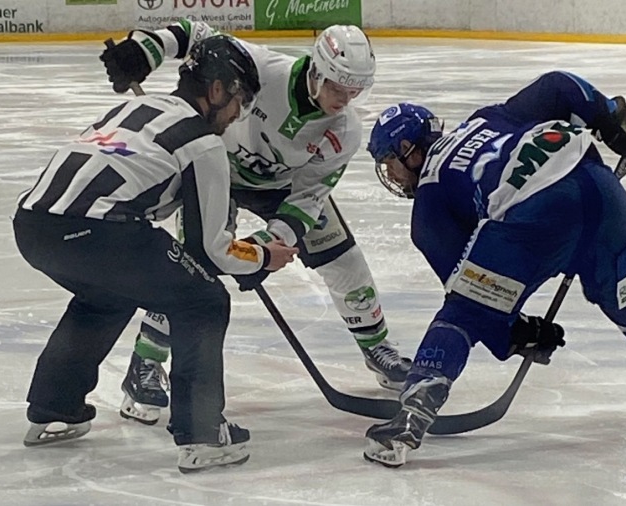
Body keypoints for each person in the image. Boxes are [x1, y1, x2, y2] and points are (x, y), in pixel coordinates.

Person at [361, 71, 626, 468]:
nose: (390, 173)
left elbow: (474, 296)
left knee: (463, 313)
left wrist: (514, 334)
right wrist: (611, 118)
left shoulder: (430, 200)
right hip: (602, 191)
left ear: (409, 149)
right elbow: (558, 85)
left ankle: (409, 420)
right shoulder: (487, 118)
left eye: (389, 160)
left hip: (536, 216)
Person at [100, 21, 411, 425]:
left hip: (280, 185)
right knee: (194, 268)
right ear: (316, 71)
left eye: (355, 90)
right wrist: (145, 50)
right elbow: (197, 35)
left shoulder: (344, 130)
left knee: (342, 257)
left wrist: (266, 246)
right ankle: (145, 363)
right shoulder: (265, 69)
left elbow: (307, 200)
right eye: (338, 87)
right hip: (214, 171)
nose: (345, 98)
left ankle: (377, 346)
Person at [14, 35, 299, 473]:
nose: (239, 113)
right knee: (204, 300)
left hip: (33, 225)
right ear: (217, 89)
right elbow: (212, 249)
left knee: (105, 296)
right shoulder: (203, 142)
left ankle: (55, 408)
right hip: (97, 232)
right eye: (239, 98)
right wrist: (263, 256)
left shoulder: (130, 110)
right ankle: (202, 434)